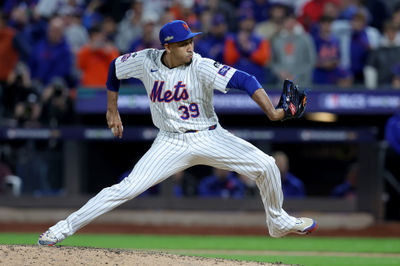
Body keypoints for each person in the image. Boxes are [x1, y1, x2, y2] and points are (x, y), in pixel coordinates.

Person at [38, 20, 317, 246]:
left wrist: (272, 111)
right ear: (167, 47)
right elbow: (115, 68)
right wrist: (112, 108)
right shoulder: (146, 60)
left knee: (267, 165)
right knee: (124, 189)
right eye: (184, 43)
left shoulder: (201, 65)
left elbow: (246, 79)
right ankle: (62, 228)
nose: (190, 47)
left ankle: (278, 222)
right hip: (170, 141)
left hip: (209, 136)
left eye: (192, 41)